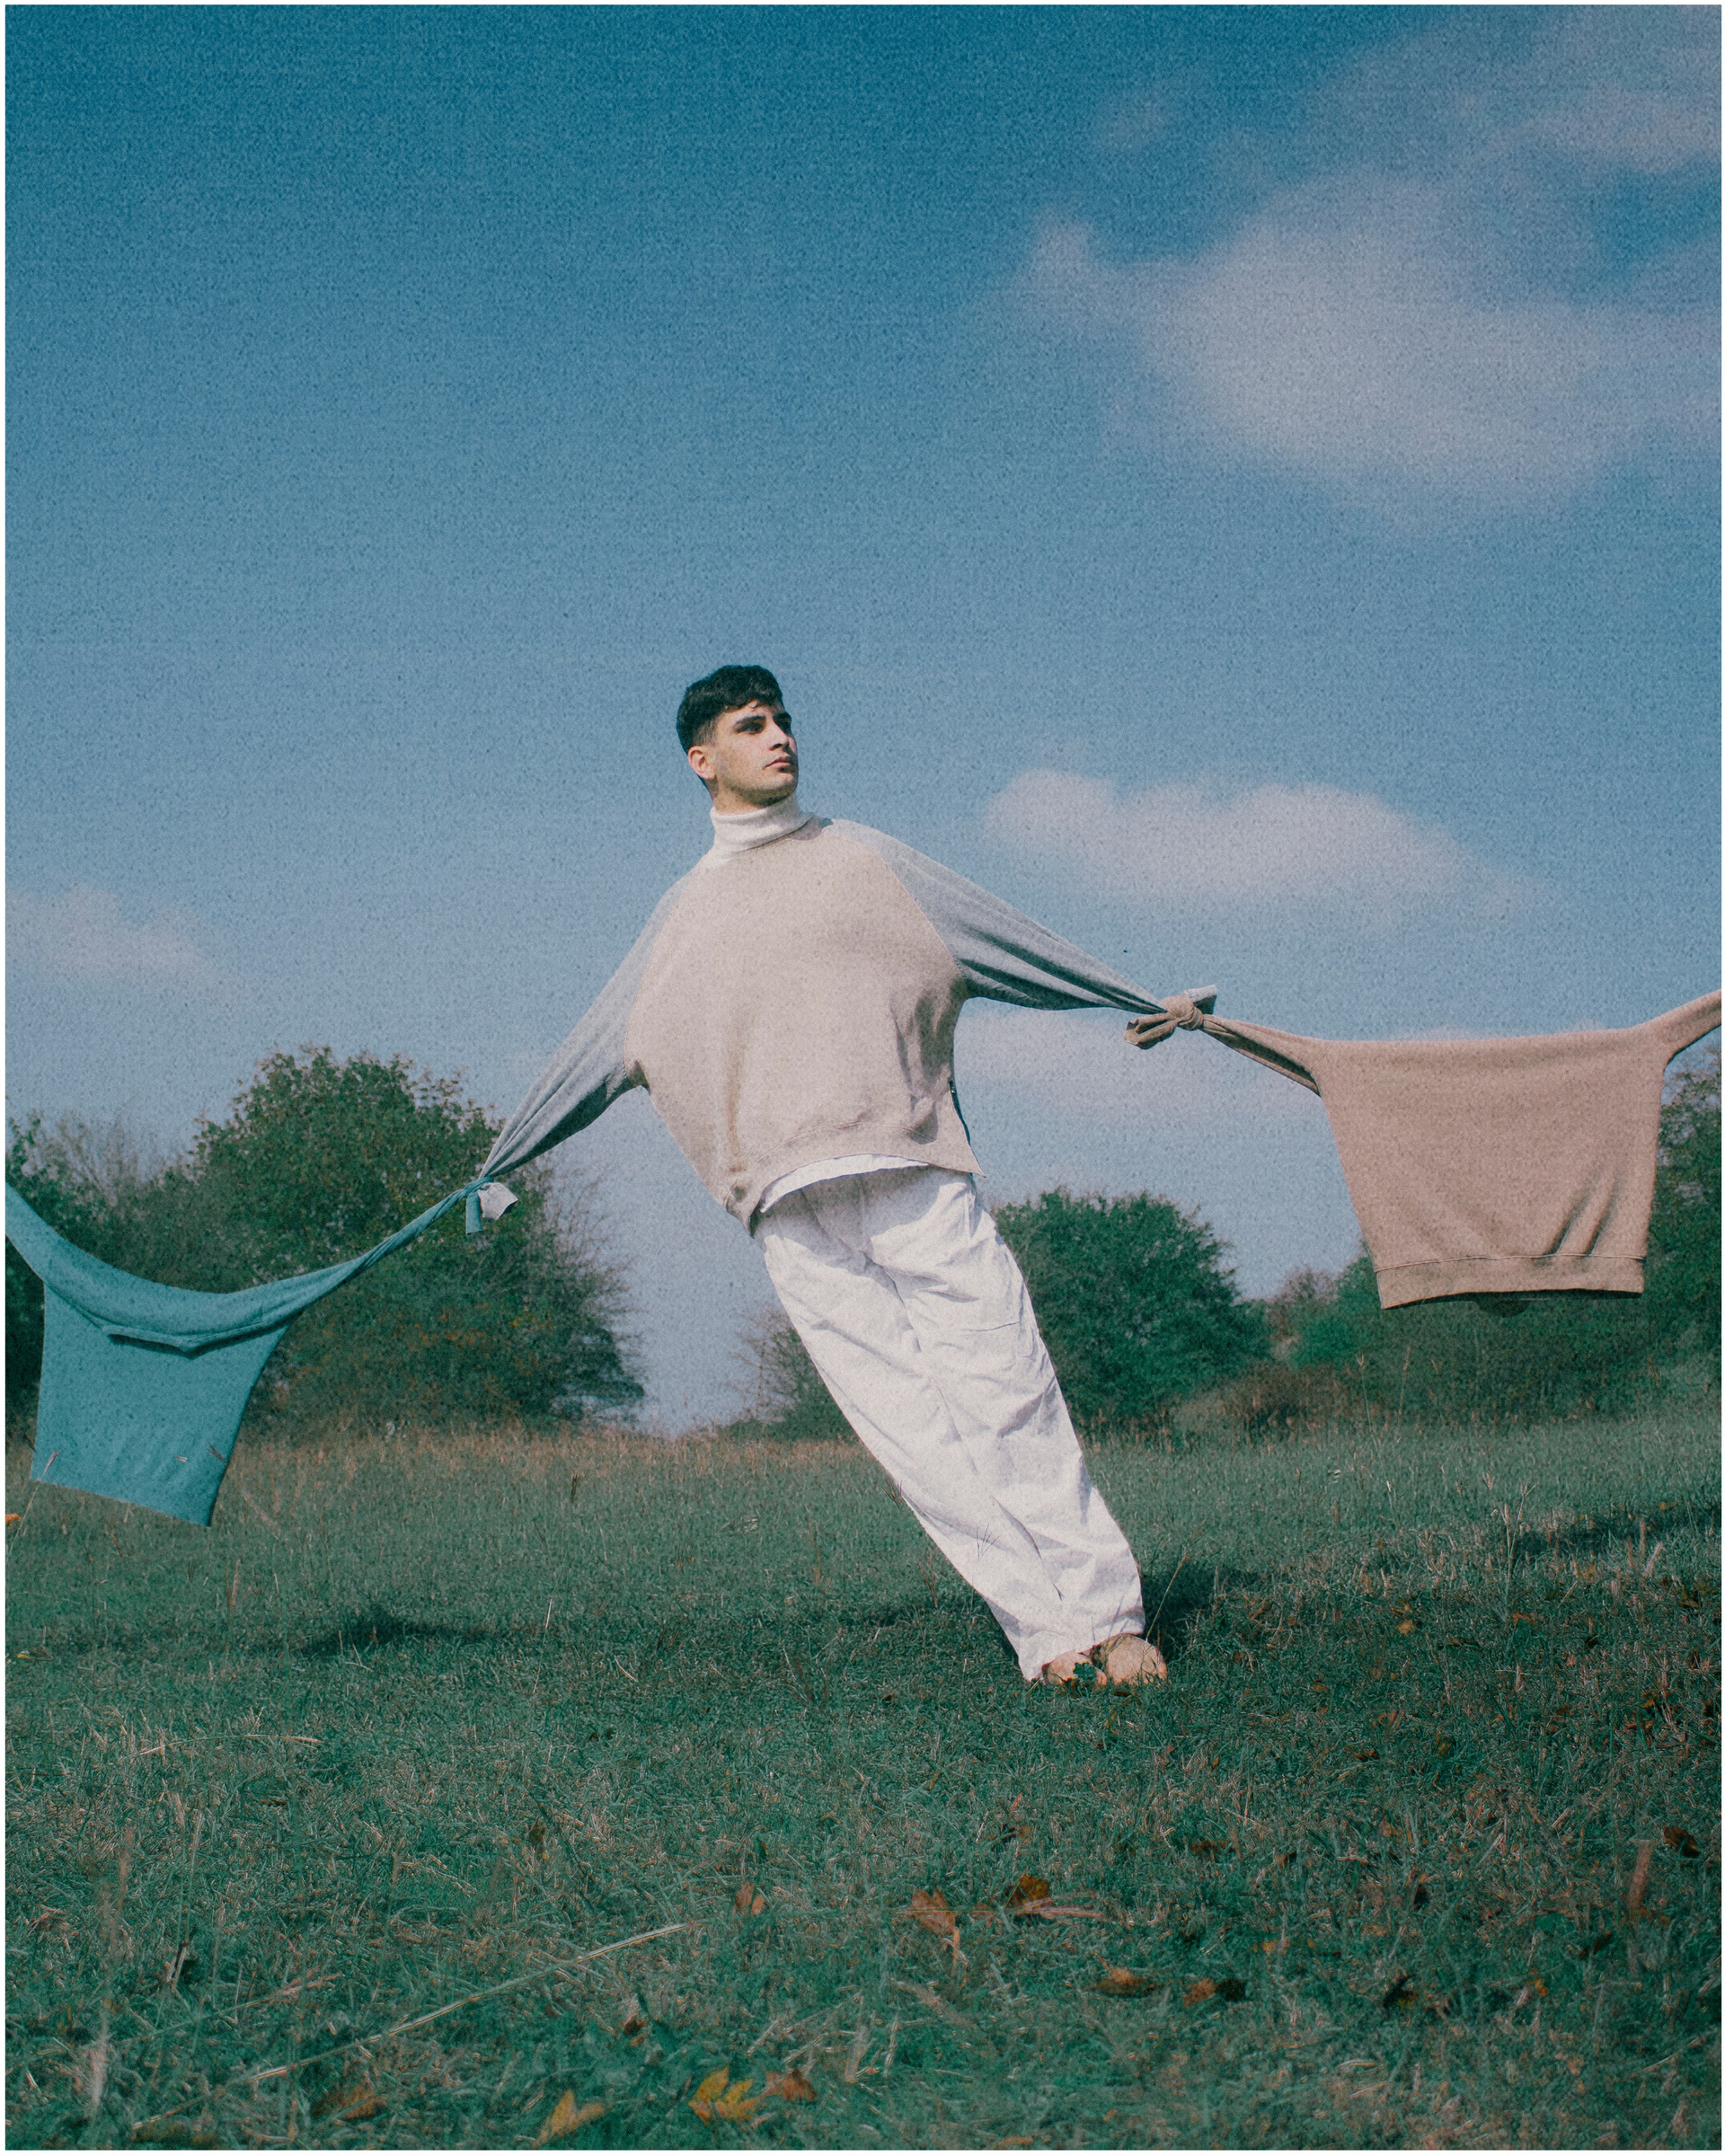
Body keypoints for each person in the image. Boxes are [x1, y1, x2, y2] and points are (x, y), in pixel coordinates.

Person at [478, 665, 1189, 1686]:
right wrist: (498, 1166)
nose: (780, 737)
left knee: (1007, 1392)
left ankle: (1113, 1622)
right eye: (750, 725)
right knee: (914, 1438)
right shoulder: (679, 919)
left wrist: (1135, 997)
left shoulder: (867, 859)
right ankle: (1047, 1639)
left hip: (914, 1172)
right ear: (701, 759)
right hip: (790, 1213)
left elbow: (1005, 938)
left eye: (783, 720)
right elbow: (598, 1051)